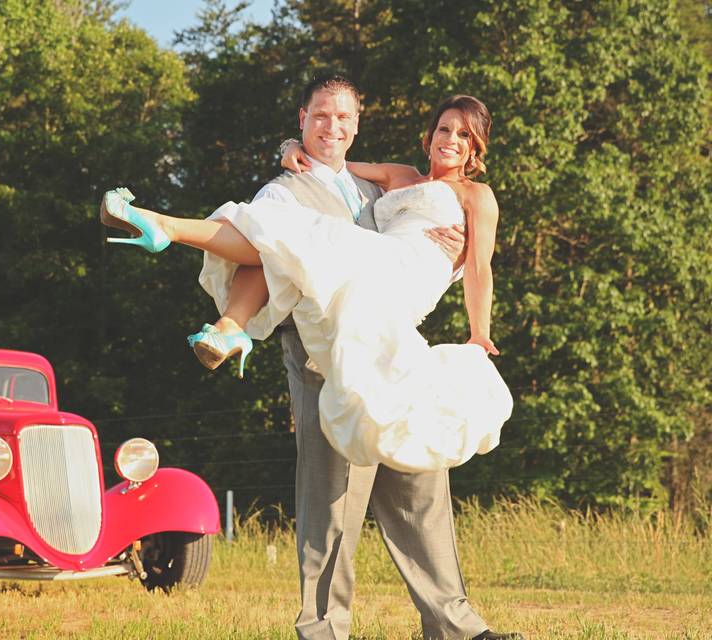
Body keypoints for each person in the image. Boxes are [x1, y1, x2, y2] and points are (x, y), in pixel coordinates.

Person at [100, 78, 522, 640]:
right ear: (303, 120)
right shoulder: (286, 189)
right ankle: (323, 629)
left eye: (343, 118)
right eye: (321, 117)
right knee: (334, 497)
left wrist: (476, 321)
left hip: (391, 337)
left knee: (422, 486)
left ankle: (456, 626)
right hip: (325, 353)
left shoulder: (376, 187)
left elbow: (471, 261)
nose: (333, 127)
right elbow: (267, 246)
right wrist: (285, 154)